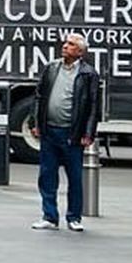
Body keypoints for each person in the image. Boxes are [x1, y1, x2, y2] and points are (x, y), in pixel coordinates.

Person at [30, 32, 101, 232]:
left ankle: (74, 217)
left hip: (72, 133)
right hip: (49, 131)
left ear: (80, 52)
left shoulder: (88, 74)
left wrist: (89, 132)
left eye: (70, 44)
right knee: (47, 175)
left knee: (75, 178)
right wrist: (36, 122)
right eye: (65, 43)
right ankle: (49, 216)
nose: (65, 46)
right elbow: (39, 96)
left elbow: (93, 105)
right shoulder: (52, 68)